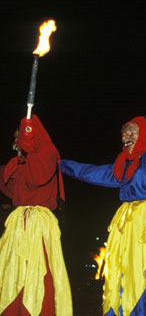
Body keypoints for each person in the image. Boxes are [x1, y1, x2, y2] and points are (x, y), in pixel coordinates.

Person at [60, 111, 146, 316]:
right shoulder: (123, 165)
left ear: (144, 135)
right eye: (123, 133)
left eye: (131, 132)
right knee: (126, 269)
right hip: (127, 222)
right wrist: (61, 165)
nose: (125, 137)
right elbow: (91, 172)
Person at [0, 115, 72, 316]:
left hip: (38, 225)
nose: (17, 142)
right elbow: (11, 186)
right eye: (16, 138)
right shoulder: (18, 164)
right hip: (17, 225)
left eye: (21, 137)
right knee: (11, 271)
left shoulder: (46, 154)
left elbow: (37, 176)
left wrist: (29, 135)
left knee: (37, 271)